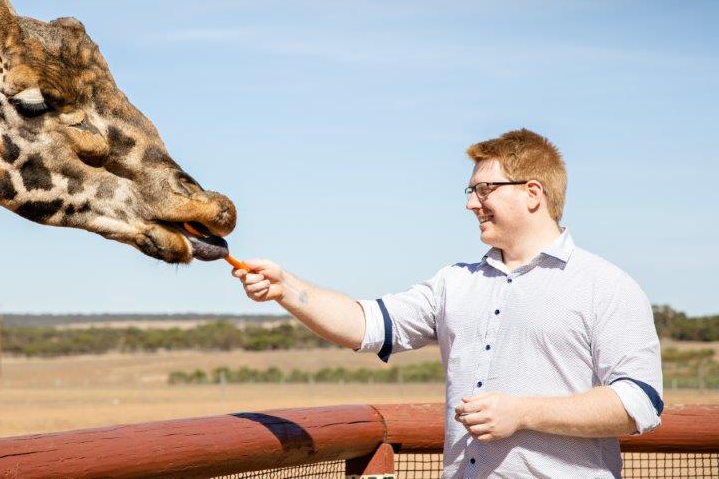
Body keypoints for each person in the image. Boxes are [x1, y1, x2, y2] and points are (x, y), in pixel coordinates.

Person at [233, 128, 663, 478]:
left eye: (484, 189)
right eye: (471, 190)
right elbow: (364, 325)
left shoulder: (605, 285)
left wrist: (522, 412)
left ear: (533, 193)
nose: (470, 202)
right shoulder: (454, 283)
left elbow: (640, 401)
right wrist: (287, 288)